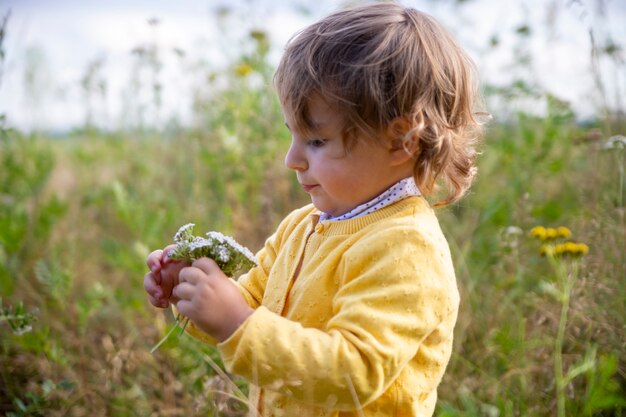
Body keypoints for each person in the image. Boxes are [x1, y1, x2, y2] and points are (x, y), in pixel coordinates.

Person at [144, 2, 483, 416]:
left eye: (317, 141)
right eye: (293, 135)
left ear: (401, 142)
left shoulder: (406, 248)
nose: (292, 160)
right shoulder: (303, 226)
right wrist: (193, 289)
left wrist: (237, 325)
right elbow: (248, 302)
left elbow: (354, 373)